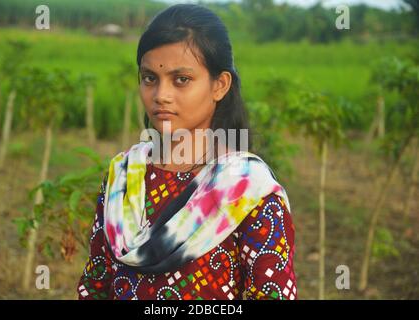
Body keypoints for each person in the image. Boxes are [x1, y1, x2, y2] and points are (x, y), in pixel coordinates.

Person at [78, 4, 296, 300]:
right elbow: (95, 285)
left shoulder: (247, 191)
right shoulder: (125, 176)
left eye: (181, 80)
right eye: (149, 78)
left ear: (219, 85)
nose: (161, 95)